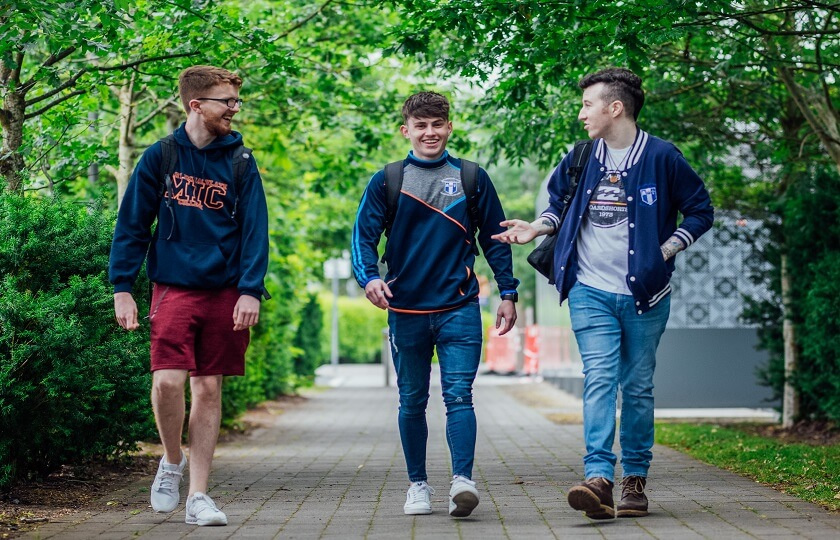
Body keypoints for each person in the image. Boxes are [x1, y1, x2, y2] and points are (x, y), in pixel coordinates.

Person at [493, 68, 713, 519]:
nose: (581, 114)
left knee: (636, 387)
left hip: (646, 295)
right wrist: (536, 227)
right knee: (599, 378)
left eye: (587, 105)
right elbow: (557, 207)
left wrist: (665, 250)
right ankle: (598, 477)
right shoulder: (579, 157)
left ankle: (635, 479)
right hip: (589, 290)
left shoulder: (663, 157)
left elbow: (700, 211)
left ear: (615, 108)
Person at [109, 65, 269, 527]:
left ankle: (198, 495)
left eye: (237, 101)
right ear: (196, 105)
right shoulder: (161, 157)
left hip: (224, 290)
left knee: (208, 386)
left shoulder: (240, 161)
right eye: (227, 102)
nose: (235, 110)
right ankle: (172, 460)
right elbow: (132, 226)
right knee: (166, 382)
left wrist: (250, 290)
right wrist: (123, 287)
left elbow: (255, 231)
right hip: (173, 286)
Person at [352, 92, 519, 517]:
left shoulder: (471, 177)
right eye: (421, 125)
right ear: (406, 130)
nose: (430, 133)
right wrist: (369, 277)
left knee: (459, 395)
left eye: (437, 124)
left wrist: (508, 292)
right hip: (405, 310)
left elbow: (495, 239)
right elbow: (363, 237)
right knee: (411, 401)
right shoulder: (387, 179)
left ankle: (462, 481)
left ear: (449, 127)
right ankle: (418, 486)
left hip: (460, 307)